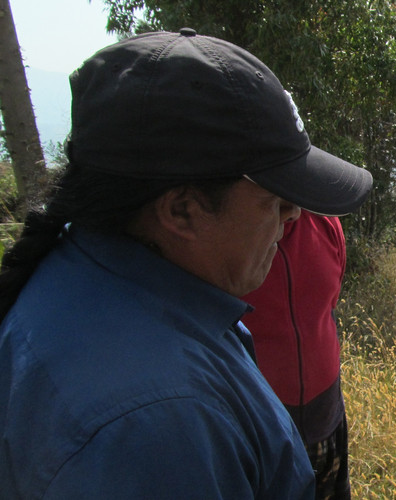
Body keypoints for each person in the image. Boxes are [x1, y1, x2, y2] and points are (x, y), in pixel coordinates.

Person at [0, 29, 372, 498]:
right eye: (274, 200)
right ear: (181, 211)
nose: (294, 215)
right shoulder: (159, 429)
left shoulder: (83, 277)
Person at [241, 212, 353, 500]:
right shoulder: (234, 238)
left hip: (328, 415)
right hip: (265, 429)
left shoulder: (324, 221)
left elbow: (330, 303)